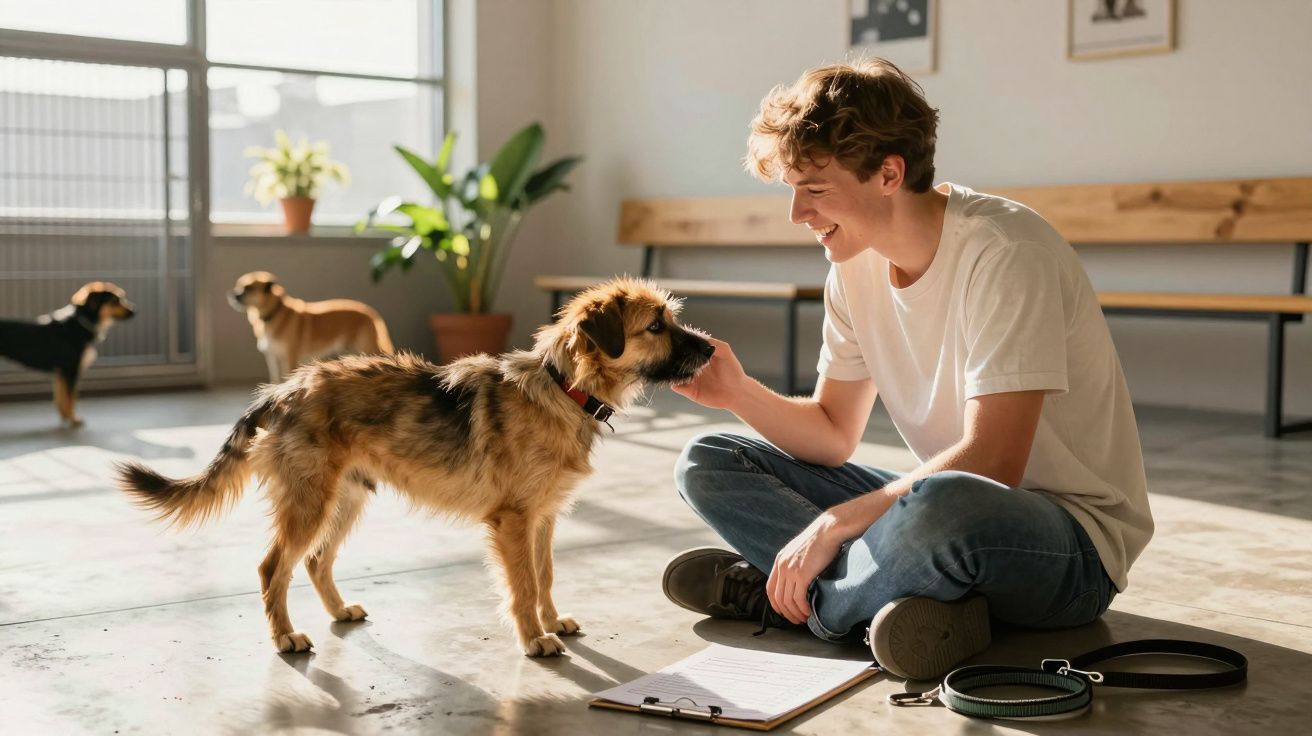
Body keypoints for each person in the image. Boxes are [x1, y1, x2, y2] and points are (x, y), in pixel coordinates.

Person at [661, 57, 1154, 681]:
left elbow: (995, 460)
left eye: (813, 190)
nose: (797, 214)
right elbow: (834, 433)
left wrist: (837, 523)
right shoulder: (852, 266)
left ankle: (793, 603)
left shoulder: (1007, 253)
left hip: (1069, 548)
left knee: (943, 505)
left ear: (888, 173)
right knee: (709, 458)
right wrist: (737, 393)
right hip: (937, 511)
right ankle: (889, 603)